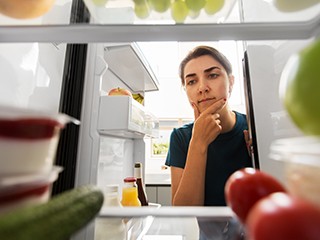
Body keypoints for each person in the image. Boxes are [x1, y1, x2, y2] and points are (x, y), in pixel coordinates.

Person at [165, 45, 253, 207]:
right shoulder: (180, 137)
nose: (202, 88)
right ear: (185, 90)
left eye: (212, 75)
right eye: (192, 81)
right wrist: (198, 142)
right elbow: (184, 214)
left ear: (231, 82)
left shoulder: (253, 127)